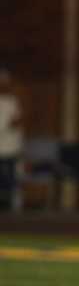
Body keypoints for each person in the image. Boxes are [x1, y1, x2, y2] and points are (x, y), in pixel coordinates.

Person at [0, 67, 23, 211]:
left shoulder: (13, 101)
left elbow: (17, 121)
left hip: (10, 147)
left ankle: (14, 206)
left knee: (11, 177)